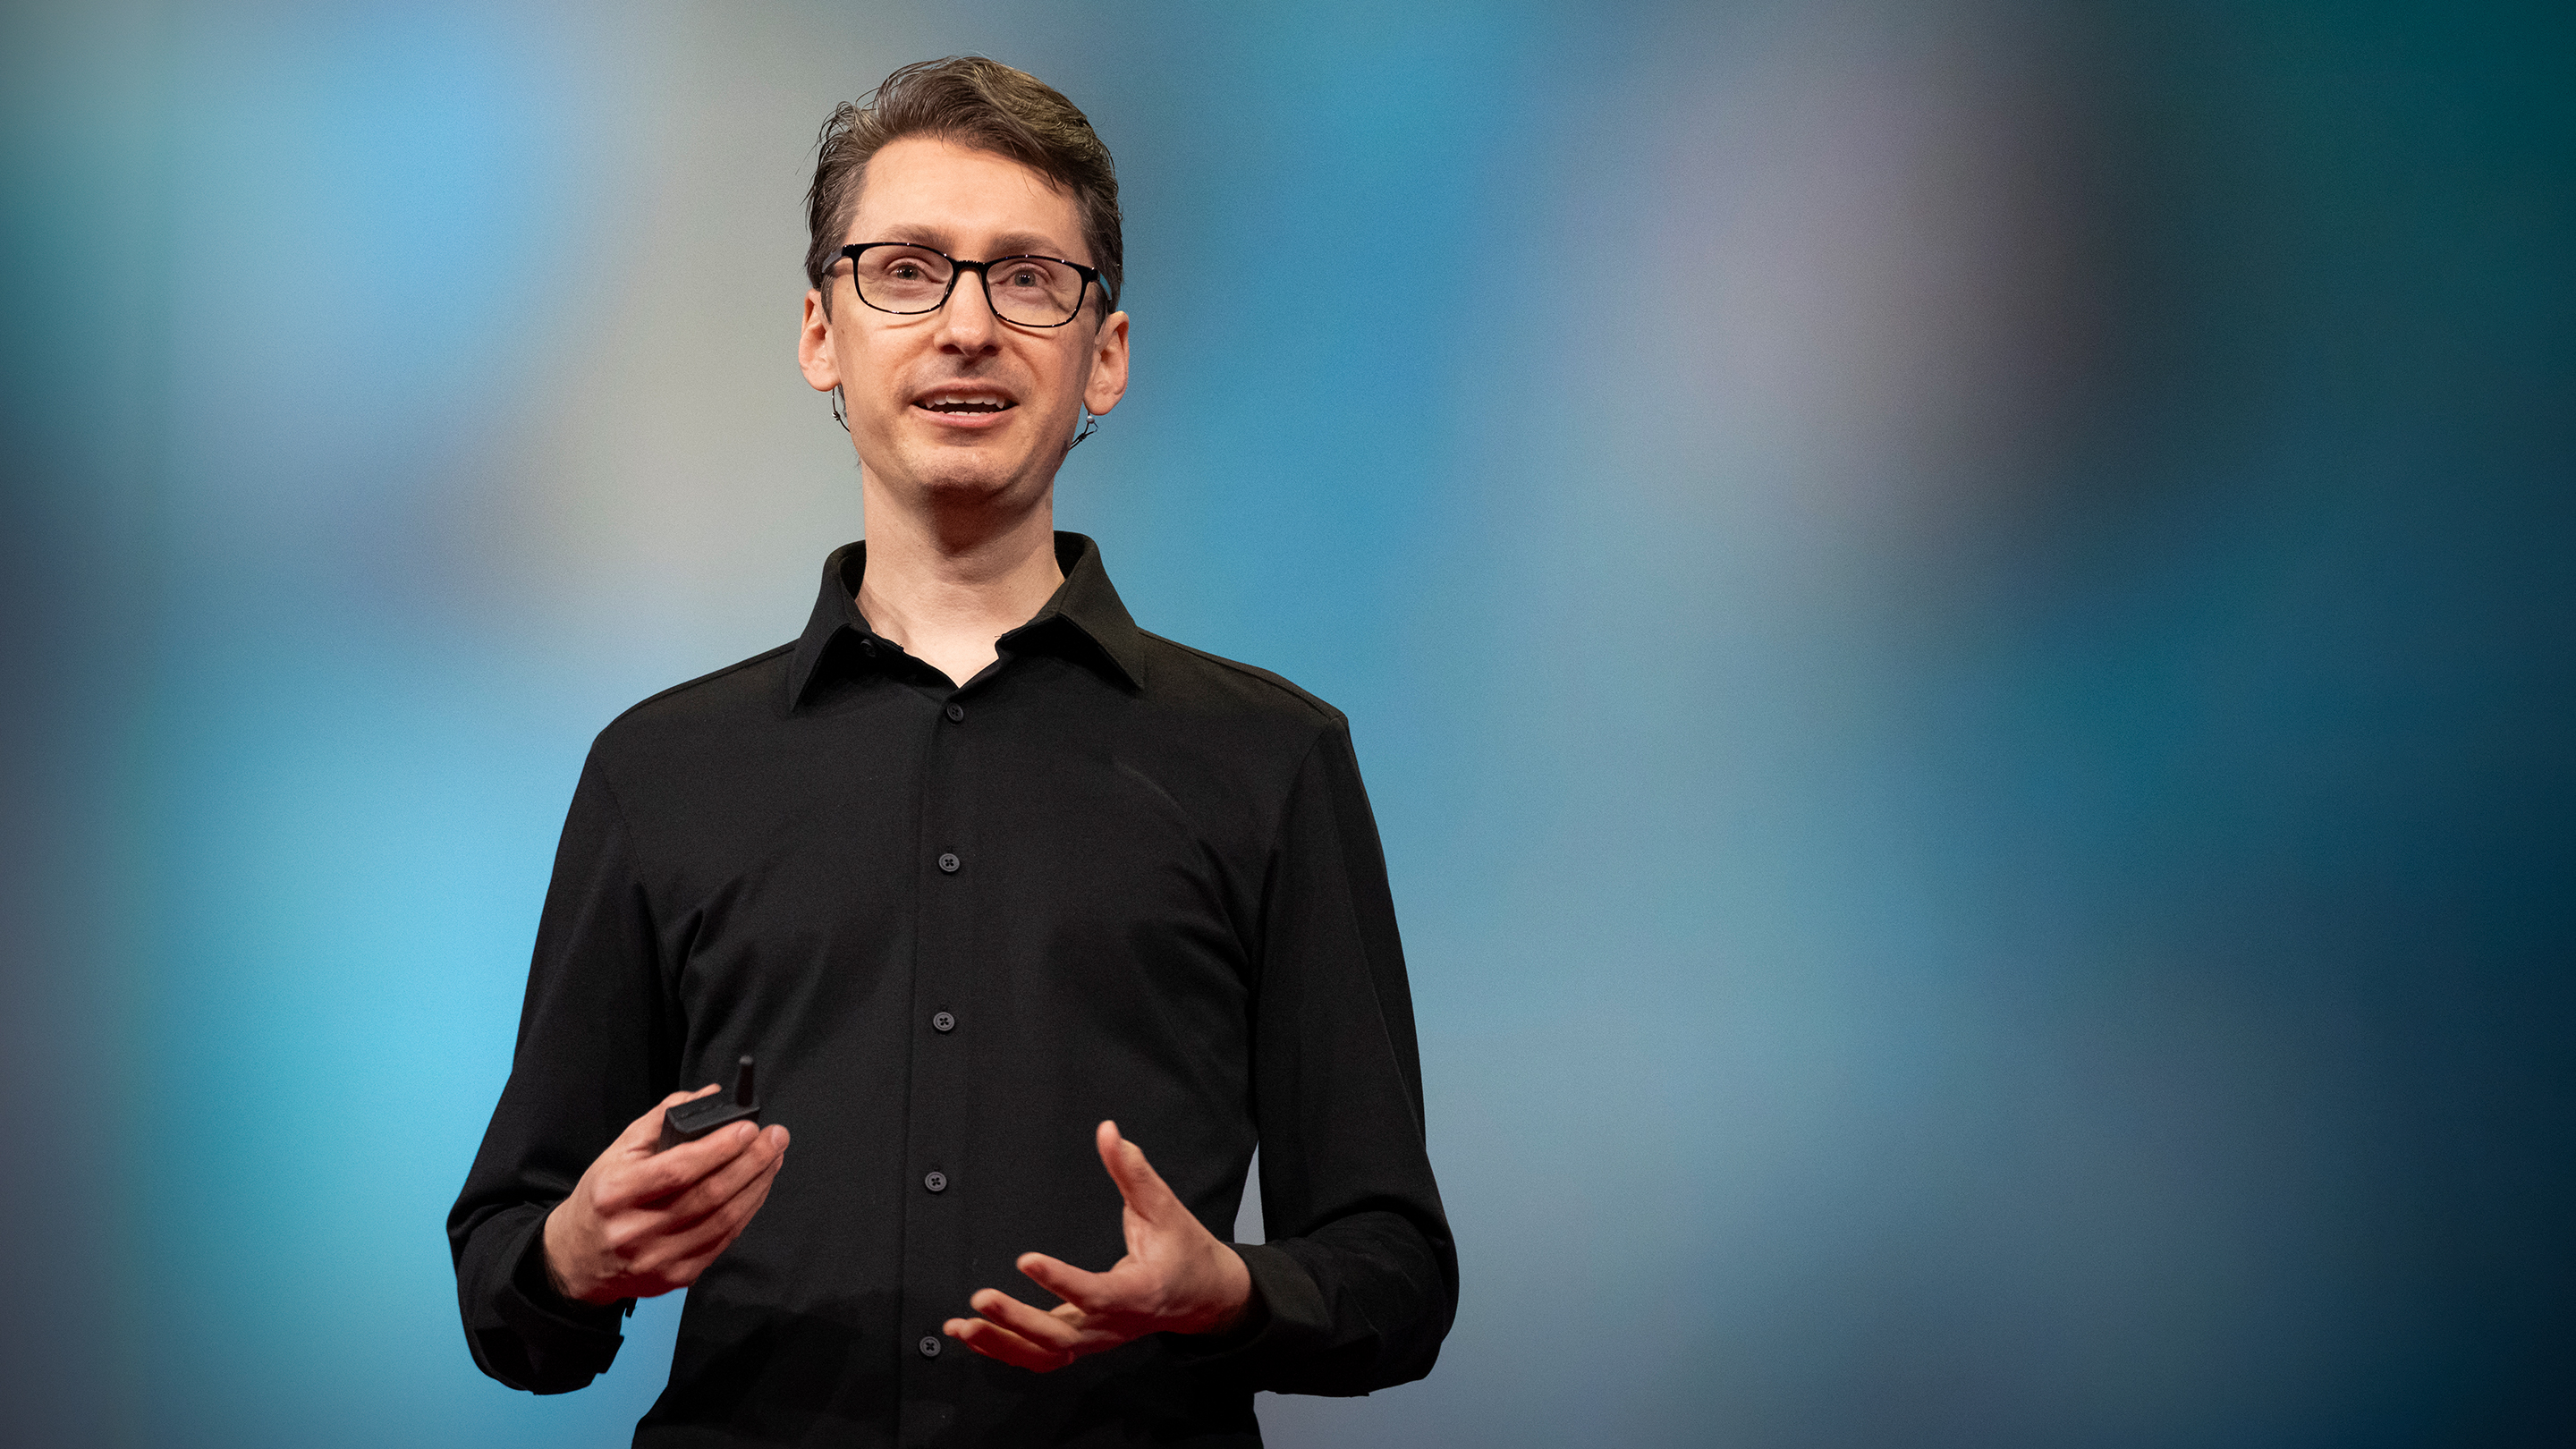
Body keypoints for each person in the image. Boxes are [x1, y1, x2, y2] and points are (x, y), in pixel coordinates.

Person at [447, 55, 1456, 1446]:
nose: (967, 326)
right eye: (908, 272)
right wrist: (572, 1254)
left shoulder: (1271, 762)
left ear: (1106, 354)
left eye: (1028, 278)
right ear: (822, 333)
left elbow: (1397, 1277)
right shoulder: (659, 771)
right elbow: (507, 1292)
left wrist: (1228, 1291)